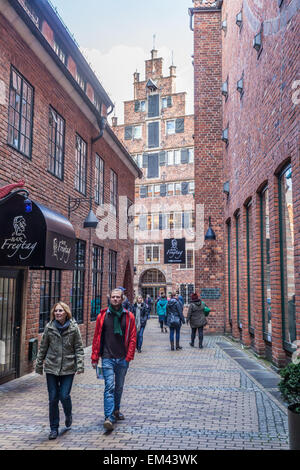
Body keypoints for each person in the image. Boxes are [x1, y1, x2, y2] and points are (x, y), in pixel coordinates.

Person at [35, 302, 84, 440]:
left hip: (68, 368)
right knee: (52, 399)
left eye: (60, 311)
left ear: (66, 312)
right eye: (56, 311)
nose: (57, 313)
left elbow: (79, 348)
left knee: (64, 395)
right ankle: (54, 428)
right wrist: (39, 364)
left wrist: (80, 365)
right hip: (51, 367)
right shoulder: (49, 328)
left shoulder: (74, 328)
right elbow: (43, 347)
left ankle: (68, 414)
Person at [91, 288, 136, 431]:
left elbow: (133, 338)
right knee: (109, 387)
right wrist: (94, 357)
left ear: (122, 299)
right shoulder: (102, 316)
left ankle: (116, 410)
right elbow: (97, 337)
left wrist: (129, 357)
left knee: (119, 387)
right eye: (113, 297)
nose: (115, 299)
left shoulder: (129, 316)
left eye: (118, 297)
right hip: (107, 357)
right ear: (109, 298)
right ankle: (109, 417)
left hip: (123, 358)